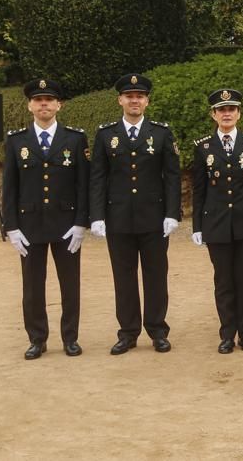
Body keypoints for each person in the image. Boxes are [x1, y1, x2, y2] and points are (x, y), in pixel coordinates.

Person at [89, 73, 181, 355]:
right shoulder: (106, 135)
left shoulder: (161, 133)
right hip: (118, 218)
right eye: (129, 96)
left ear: (147, 101)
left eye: (139, 96)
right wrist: (97, 215)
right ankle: (128, 332)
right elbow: (98, 177)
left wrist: (172, 213)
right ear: (120, 100)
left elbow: (172, 176)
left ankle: (157, 330)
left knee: (156, 275)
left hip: (153, 218)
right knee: (124, 277)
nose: (134, 100)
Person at [3, 78, 90, 360]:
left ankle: (70, 338)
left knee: (70, 284)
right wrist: (12, 226)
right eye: (39, 100)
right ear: (30, 105)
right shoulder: (16, 141)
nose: (44, 104)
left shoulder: (75, 139)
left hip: (66, 224)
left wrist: (81, 222)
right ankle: (37, 339)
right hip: (29, 225)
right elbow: (10, 186)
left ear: (58, 105)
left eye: (49, 100)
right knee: (32, 285)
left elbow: (82, 185)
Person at [190, 88, 243, 354]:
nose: (227, 114)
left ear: (239, 113)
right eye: (222, 110)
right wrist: (197, 226)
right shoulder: (203, 147)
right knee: (223, 281)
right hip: (216, 224)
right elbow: (199, 190)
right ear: (213, 114)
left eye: (232, 109)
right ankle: (227, 333)